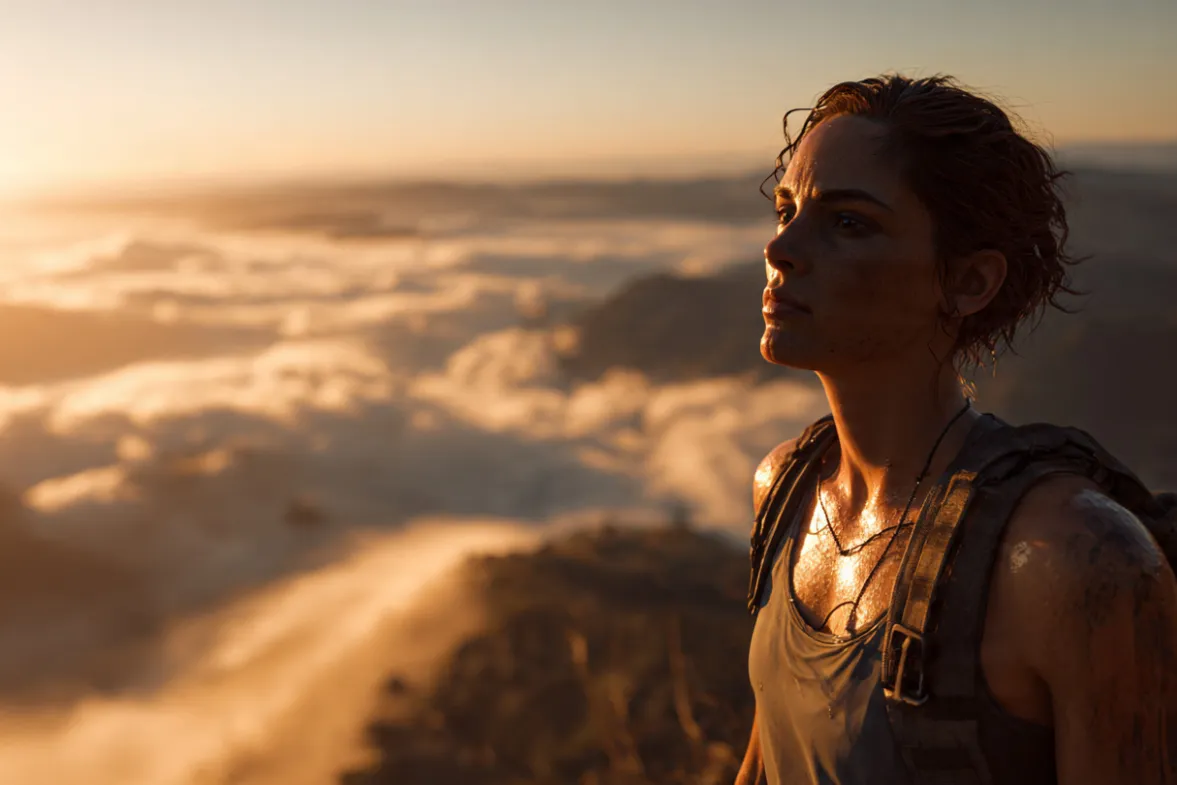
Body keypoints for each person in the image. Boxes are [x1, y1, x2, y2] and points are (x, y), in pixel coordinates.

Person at [735, 73, 1177, 785]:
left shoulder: (1070, 560)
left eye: (848, 221)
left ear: (967, 282)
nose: (779, 248)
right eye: (786, 209)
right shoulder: (783, 488)